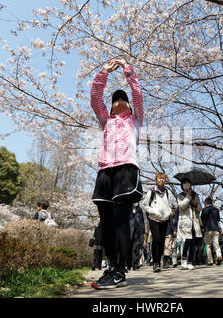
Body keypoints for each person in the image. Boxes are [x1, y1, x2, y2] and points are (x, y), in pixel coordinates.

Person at [89, 59, 144, 290]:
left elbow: (138, 93)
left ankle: (120, 269)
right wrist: (103, 73)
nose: (119, 101)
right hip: (105, 171)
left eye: (123, 99)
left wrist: (126, 69)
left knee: (121, 218)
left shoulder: (135, 118)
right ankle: (112, 267)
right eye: (115, 100)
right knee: (107, 222)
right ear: (110, 108)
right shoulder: (106, 121)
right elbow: (94, 97)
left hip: (126, 169)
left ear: (130, 106)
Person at [143, 172, 174, 272]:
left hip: (164, 220)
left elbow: (170, 205)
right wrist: (154, 212)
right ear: (156, 180)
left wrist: (169, 213)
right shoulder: (151, 192)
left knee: (161, 242)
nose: (161, 180)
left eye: (163, 179)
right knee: (156, 239)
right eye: (159, 178)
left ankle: (158, 262)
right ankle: (155, 263)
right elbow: (145, 205)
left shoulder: (167, 192)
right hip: (153, 219)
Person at [176, 178, 203, 270]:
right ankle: (184, 260)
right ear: (182, 185)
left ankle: (190, 261)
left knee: (193, 243)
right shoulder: (180, 195)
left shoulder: (195, 195)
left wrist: (195, 204)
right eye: (184, 183)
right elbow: (182, 206)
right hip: (185, 222)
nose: (186, 184)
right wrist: (187, 197)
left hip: (194, 222)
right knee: (187, 241)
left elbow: (200, 208)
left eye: (188, 183)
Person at [201, 197, 222, 265]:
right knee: (216, 244)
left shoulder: (204, 210)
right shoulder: (216, 209)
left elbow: (202, 219)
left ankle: (210, 261)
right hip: (215, 229)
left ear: (205, 203)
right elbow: (218, 219)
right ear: (212, 203)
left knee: (208, 245)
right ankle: (219, 256)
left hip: (207, 229)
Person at [127, 202, 146, 270]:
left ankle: (135, 264)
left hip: (138, 231)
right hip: (129, 231)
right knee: (129, 248)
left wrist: (143, 232)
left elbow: (142, 221)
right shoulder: (127, 209)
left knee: (136, 248)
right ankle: (129, 264)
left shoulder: (140, 210)